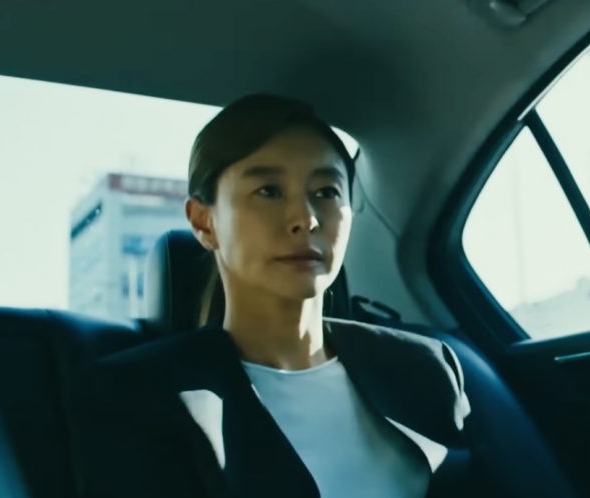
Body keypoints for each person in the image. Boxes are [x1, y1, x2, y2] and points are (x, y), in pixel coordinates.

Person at [71, 94, 470, 498]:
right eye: (269, 191)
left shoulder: (426, 369)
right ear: (203, 222)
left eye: (327, 192)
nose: (306, 219)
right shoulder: (134, 395)